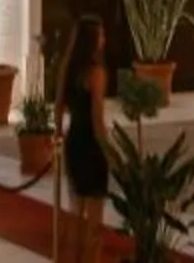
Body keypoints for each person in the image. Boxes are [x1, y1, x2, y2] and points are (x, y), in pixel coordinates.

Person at [56, 15, 110, 263]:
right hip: (91, 144)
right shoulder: (96, 73)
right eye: (100, 35)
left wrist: (58, 136)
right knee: (94, 220)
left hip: (73, 141)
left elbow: (58, 107)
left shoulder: (68, 69)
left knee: (75, 211)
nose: (104, 40)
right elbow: (97, 118)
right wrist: (111, 152)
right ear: (92, 41)